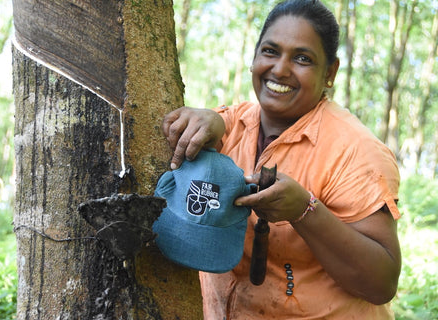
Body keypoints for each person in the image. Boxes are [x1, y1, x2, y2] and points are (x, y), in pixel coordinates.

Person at [161, 0, 401, 318]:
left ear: (330, 72)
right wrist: (206, 119)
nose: (280, 69)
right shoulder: (235, 122)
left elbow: (382, 283)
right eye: (271, 51)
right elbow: (221, 121)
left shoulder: (356, 152)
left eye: (302, 58)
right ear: (255, 57)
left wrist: (305, 211)